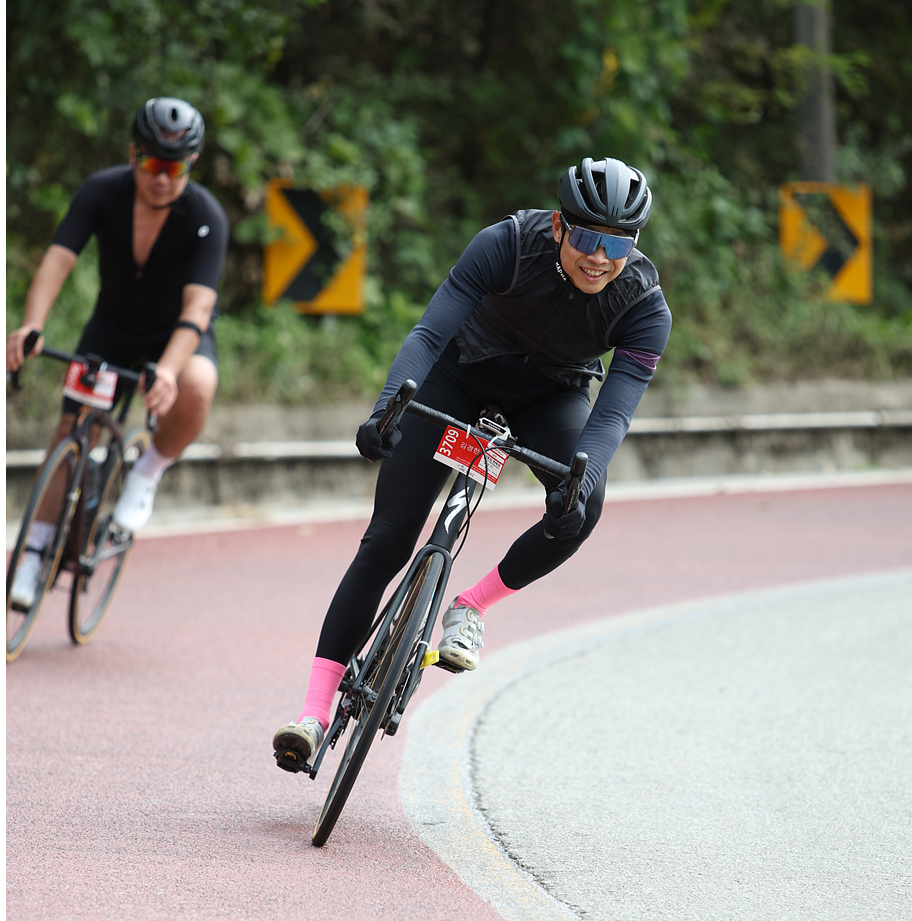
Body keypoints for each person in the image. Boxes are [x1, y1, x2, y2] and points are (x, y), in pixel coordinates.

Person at [272, 156, 671, 772]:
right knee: (387, 539)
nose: (600, 257)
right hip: (459, 373)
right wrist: (388, 409)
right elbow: (430, 334)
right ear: (559, 226)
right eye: (587, 238)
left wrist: (581, 481)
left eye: (618, 244)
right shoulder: (507, 244)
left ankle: (473, 605)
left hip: (551, 397)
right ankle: (314, 713)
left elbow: (612, 416)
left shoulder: (644, 306)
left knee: (584, 507)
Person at [6, 98, 228, 608]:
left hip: (176, 335)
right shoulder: (101, 191)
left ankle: (146, 473)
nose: (162, 179)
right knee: (70, 430)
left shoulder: (206, 217)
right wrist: (32, 325)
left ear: (191, 165)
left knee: (198, 384)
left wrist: (167, 371)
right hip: (111, 329)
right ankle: (35, 551)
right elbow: (58, 259)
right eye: (152, 163)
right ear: (133, 154)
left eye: (175, 168)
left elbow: (198, 307)